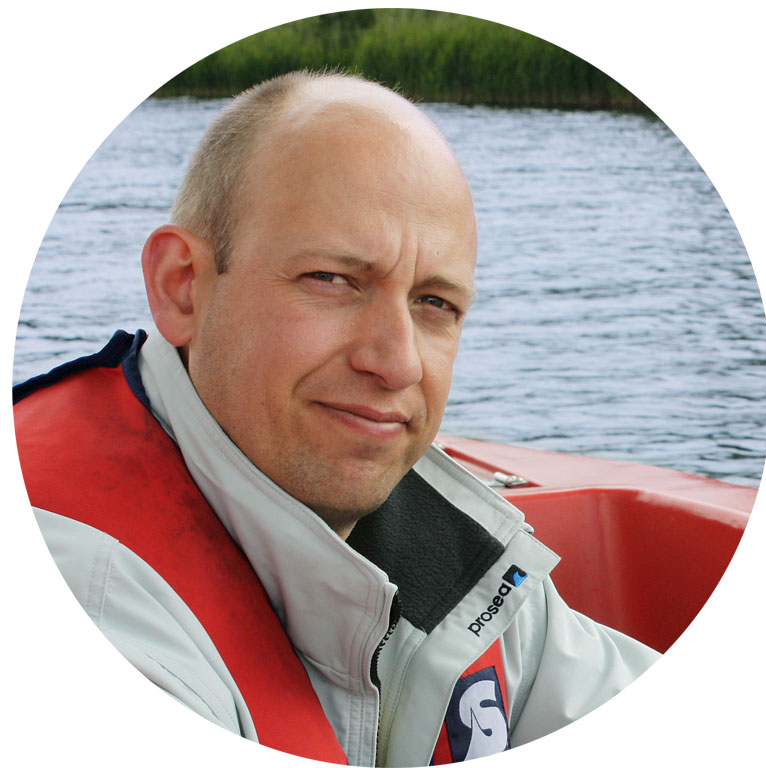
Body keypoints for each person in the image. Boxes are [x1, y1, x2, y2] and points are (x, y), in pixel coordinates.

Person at [14, 70, 659, 766]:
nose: (397, 363)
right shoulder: (76, 597)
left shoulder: (471, 566)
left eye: (434, 303)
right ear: (184, 287)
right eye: (333, 280)